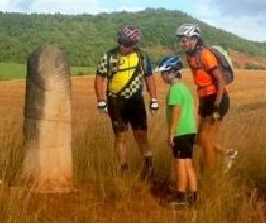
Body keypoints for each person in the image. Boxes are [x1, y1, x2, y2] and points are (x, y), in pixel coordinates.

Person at [95, 25, 159, 177]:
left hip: (136, 101)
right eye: (121, 42)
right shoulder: (109, 56)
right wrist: (101, 100)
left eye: (127, 44)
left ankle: (149, 167)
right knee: (120, 136)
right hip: (116, 101)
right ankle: (123, 171)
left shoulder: (142, 57)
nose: (122, 46)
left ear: (134, 45)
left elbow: (149, 77)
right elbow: (99, 77)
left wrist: (154, 99)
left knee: (141, 135)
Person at [174, 24, 237, 173]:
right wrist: (202, 104)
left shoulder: (205, 54)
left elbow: (220, 79)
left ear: (194, 39)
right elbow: (200, 81)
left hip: (217, 98)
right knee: (198, 139)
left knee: (206, 140)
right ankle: (227, 153)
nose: (182, 43)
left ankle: (211, 175)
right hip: (205, 99)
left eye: (185, 40)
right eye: (181, 40)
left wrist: (217, 104)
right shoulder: (190, 56)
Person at [155, 56, 198, 207]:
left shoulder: (174, 90)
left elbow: (176, 112)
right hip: (190, 130)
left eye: (164, 73)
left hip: (180, 131)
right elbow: (193, 110)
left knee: (179, 164)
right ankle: (193, 197)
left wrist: (171, 133)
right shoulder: (185, 89)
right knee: (188, 164)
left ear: (172, 72)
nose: (162, 76)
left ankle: (180, 197)